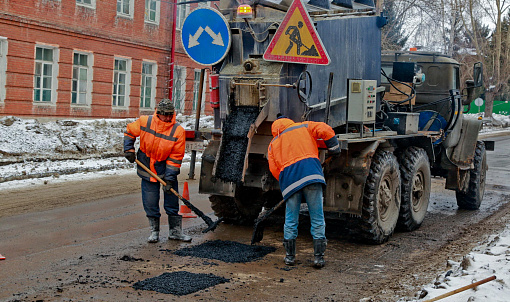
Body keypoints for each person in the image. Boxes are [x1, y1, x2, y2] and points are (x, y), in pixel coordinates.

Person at [267, 114, 340, 268]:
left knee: (291, 220)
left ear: (275, 128)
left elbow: (274, 169)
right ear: (289, 121)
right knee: (317, 218)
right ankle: (318, 258)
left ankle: (290, 257)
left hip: (291, 182)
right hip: (312, 176)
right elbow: (324, 129)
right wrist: (334, 148)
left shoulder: (273, 143)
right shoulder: (303, 126)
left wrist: (287, 178)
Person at [123, 99, 191, 243]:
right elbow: (129, 132)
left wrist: (169, 178)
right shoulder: (145, 122)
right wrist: (129, 149)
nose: (167, 118)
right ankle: (154, 232)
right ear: (158, 113)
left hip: (165, 166)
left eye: (169, 115)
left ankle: (175, 232)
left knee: (171, 200)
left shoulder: (178, 131)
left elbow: (176, 157)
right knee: (150, 200)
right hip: (146, 164)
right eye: (164, 114)